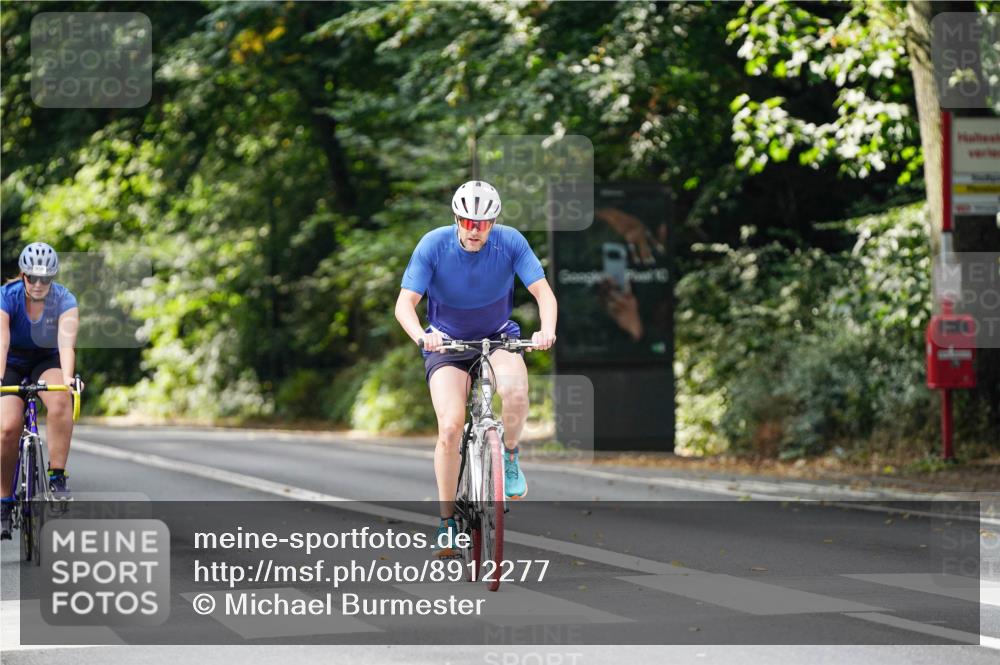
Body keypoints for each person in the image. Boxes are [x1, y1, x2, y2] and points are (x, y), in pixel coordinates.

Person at [394, 181, 557, 557]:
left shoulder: (511, 242)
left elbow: (543, 293)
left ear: (494, 222)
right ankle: (447, 522)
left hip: (497, 335)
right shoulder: (433, 244)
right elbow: (405, 304)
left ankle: (510, 457)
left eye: (482, 223)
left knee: (515, 391)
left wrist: (546, 330)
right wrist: (423, 336)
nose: (474, 229)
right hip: (446, 342)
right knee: (450, 426)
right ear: (456, 218)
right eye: (467, 221)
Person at [0, 242, 82, 539]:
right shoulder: (6, 297)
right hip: (10, 362)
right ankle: (4, 500)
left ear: (53, 278)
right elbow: (2, 340)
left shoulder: (64, 299)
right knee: (8, 427)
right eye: (32, 277)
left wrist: (69, 379)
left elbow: (65, 343)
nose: (38, 284)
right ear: (22, 276)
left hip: (45, 360)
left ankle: (57, 478)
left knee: (61, 401)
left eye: (45, 279)